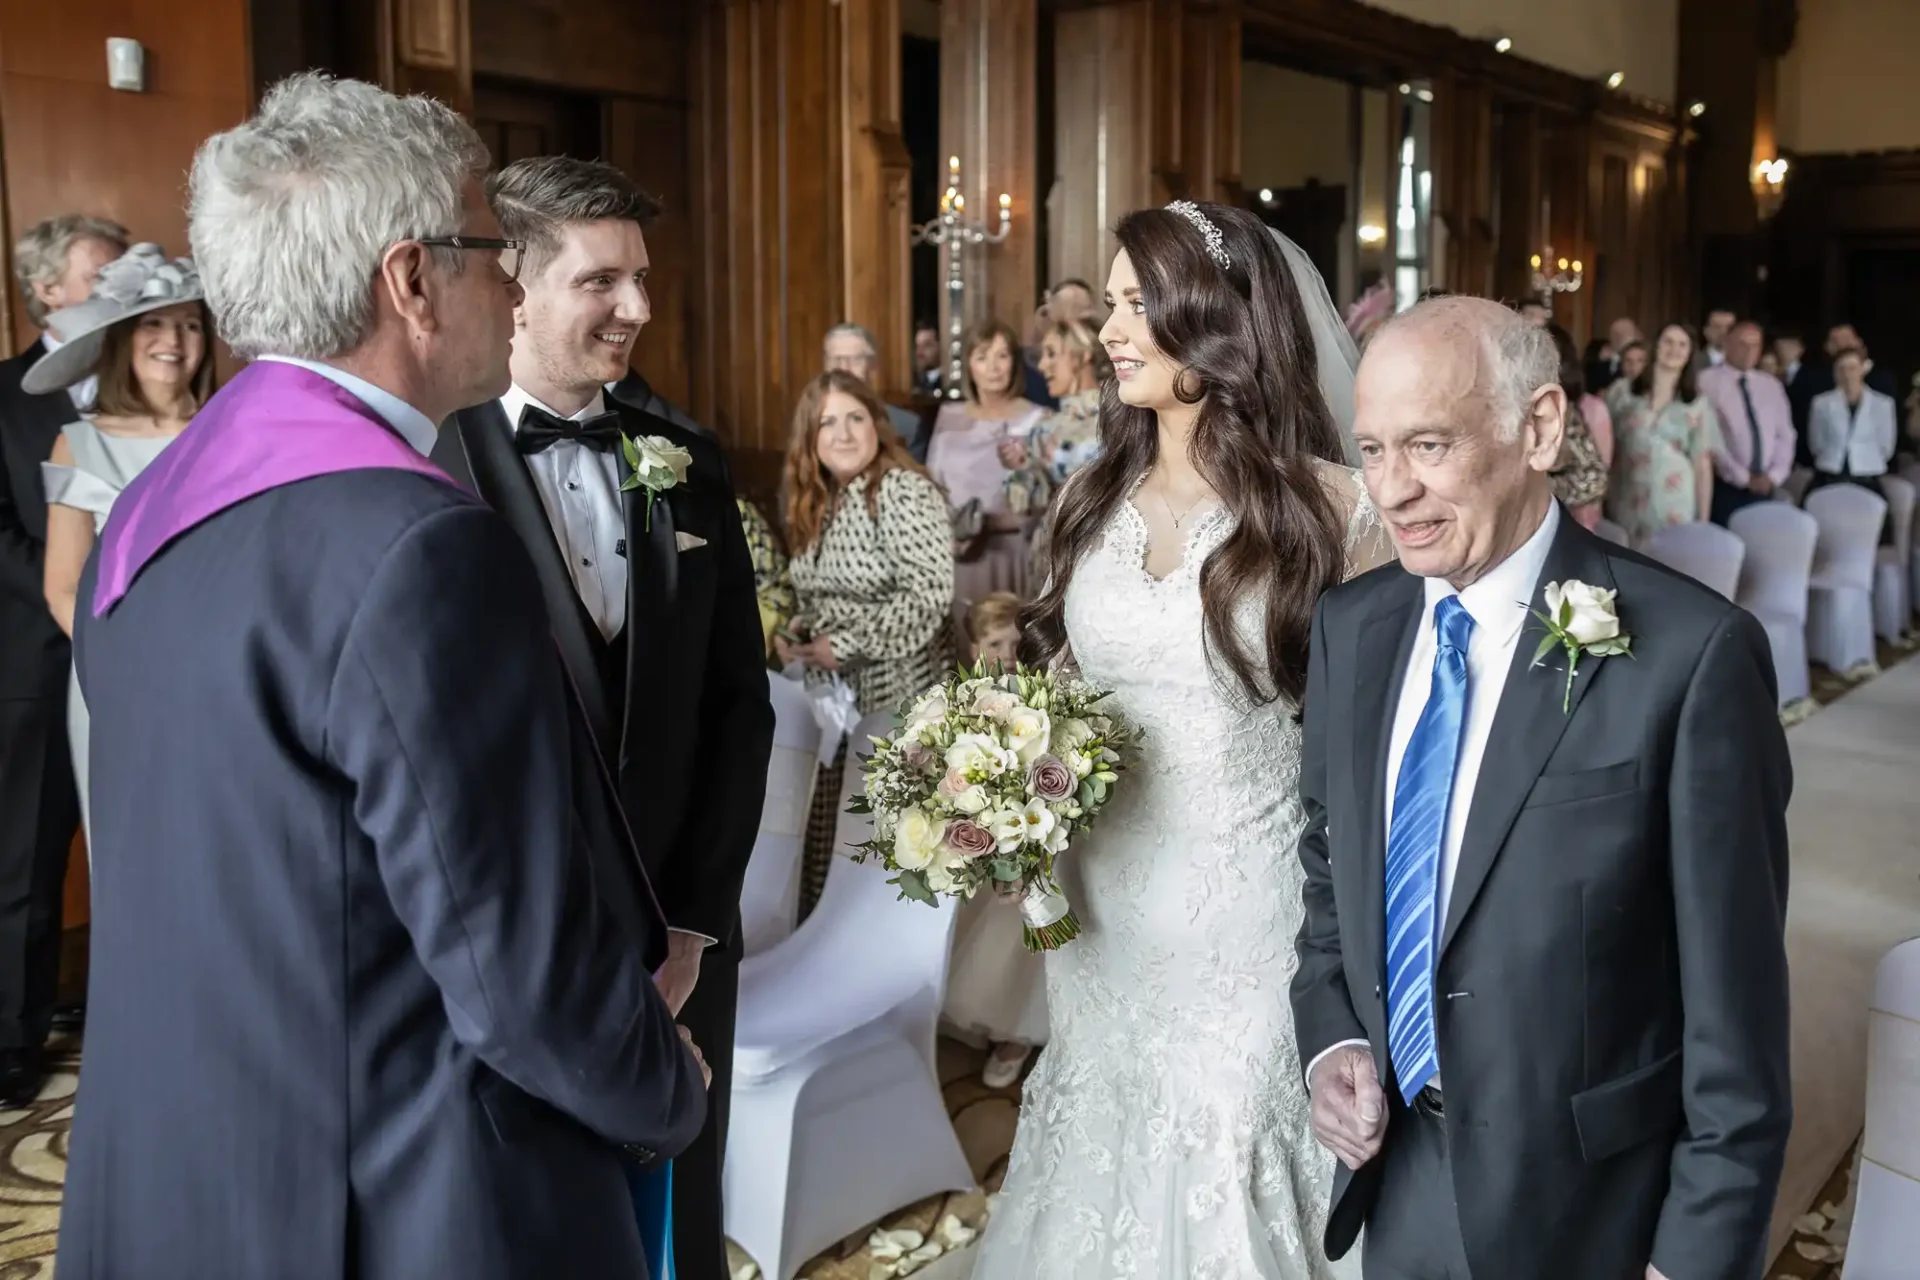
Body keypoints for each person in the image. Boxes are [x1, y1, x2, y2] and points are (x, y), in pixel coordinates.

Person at [59, 74, 708, 1280]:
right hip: (399, 1187)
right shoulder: (416, 544)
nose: (515, 282)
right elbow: (509, 959)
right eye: (491, 248)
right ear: (411, 280)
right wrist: (661, 1083)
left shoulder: (151, 507)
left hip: (182, 1164)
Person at [1291, 295, 1792, 1280]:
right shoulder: (1354, 627)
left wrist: (1692, 1258)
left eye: (1427, 445)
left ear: (1542, 428)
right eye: (1374, 449)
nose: (1391, 490)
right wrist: (1334, 1034)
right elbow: (1327, 865)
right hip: (1400, 1169)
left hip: (1591, 1203)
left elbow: (1738, 1018)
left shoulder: (1693, 655)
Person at [970, 201, 1395, 1279]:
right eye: (1108, 303)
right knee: (1102, 1141)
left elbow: (1384, 739)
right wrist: (1000, 765)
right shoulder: (1085, 496)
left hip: (1251, 914)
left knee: (1231, 1142)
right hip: (1104, 903)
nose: (1110, 329)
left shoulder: (1331, 509)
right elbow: (1065, 680)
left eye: (1134, 304)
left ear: (1211, 318)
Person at [431, 155, 772, 1280]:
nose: (638, 307)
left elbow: (738, 707)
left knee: (681, 1199)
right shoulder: (432, 466)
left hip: (682, 938)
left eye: (641, 278)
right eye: (603, 280)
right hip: (514, 950)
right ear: (514, 285)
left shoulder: (691, 458)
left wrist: (688, 926)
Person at [0, 211, 124, 1104]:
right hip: (35, 668)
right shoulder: (2, 395)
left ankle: (124, 1013)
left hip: (146, 663)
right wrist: (68, 589)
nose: (120, 290)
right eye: (99, 274)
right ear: (47, 291)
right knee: (25, 864)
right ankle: (12, 1037)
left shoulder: (154, 386)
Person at [32, 245, 213, 844]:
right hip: (120, 687)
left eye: (190, 323)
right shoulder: (78, 444)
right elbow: (63, 588)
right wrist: (137, 672)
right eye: (154, 324)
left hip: (224, 678)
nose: (175, 339)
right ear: (122, 340)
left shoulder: (232, 430)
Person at [778, 370, 954, 918]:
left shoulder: (901, 490)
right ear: (810, 436)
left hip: (899, 701)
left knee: (885, 853)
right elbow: (811, 591)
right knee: (832, 844)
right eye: (827, 422)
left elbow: (931, 594)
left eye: (856, 418)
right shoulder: (815, 500)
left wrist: (848, 643)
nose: (844, 433)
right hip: (833, 702)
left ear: (877, 425)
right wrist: (794, 632)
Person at [942, 590, 1048, 1089]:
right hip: (988, 833)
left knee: (1020, 939)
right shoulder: (966, 699)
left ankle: (1019, 1032)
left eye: (1013, 641)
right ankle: (991, 1016)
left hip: (1033, 827)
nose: (1004, 652)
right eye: (993, 642)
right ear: (974, 648)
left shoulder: (1039, 692)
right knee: (986, 934)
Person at [925, 318, 1046, 608]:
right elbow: (931, 486)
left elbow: (1048, 498)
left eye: (1002, 356)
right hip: (957, 555)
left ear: (1014, 363)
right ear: (968, 364)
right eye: (982, 357)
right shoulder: (948, 415)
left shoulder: (1037, 419)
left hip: (1014, 552)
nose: (993, 367)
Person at [1606, 323, 1718, 546]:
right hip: (1627, 497)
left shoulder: (1697, 403)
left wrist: (1703, 519)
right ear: (1655, 346)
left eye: (1682, 344)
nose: (1674, 349)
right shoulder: (1622, 391)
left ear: (1689, 353)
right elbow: (1606, 445)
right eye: (1668, 341)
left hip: (1675, 504)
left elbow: (1702, 463)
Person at [1698, 320, 1796, 526]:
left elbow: (1785, 435)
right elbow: (1710, 439)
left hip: (1766, 487)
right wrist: (1742, 477)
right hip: (1725, 487)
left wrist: (1774, 476)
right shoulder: (1706, 382)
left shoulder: (1771, 385)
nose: (1749, 351)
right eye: (1743, 344)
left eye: (1755, 345)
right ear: (1727, 344)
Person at [1808, 346, 1900, 544]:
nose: (1847, 374)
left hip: (1866, 477)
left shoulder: (1883, 404)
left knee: (1873, 537)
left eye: (1852, 368)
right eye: (1841, 368)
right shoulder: (1821, 403)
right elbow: (1816, 443)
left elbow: (1887, 446)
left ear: (1863, 369)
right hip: (1830, 474)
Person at [823, 321, 925, 458]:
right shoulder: (809, 420)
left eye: (856, 359)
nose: (845, 368)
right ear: (825, 365)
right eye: (837, 360)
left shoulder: (906, 426)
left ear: (872, 366)